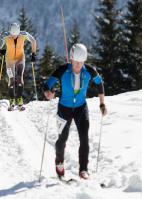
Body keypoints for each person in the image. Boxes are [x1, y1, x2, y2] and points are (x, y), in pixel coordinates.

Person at [43, 43, 107, 180]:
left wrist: (102, 104)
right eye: (76, 62)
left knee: (84, 138)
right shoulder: (62, 70)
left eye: (81, 63)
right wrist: (48, 93)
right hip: (64, 108)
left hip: (80, 108)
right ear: (71, 59)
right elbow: (47, 84)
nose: (78, 66)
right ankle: (59, 162)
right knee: (62, 139)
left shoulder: (89, 71)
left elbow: (100, 84)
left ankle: (83, 169)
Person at [0, 22, 37, 111]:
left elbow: (33, 41)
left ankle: (19, 99)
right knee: (11, 79)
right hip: (9, 60)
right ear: (10, 32)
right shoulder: (6, 36)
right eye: (12, 35)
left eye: (16, 35)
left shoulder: (24, 34)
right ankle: (11, 100)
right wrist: (1, 51)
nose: (14, 37)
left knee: (19, 76)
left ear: (18, 32)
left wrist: (33, 54)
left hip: (20, 58)